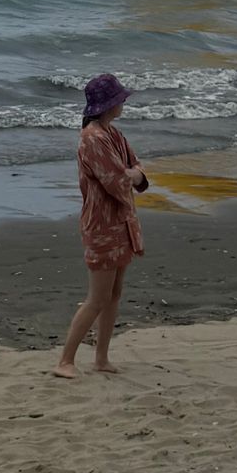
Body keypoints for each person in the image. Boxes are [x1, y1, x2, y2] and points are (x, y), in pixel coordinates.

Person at [55, 73, 149, 380]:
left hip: (121, 221)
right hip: (102, 224)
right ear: (108, 104)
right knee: (97, 297)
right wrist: (132, 175)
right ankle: (66, 360)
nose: (123, 102)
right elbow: (117, 179)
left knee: (114, 293)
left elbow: (136, 167)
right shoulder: (93, 138)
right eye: (120, 98)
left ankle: (101, 357)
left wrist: (133, 174)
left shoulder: (113, 133)